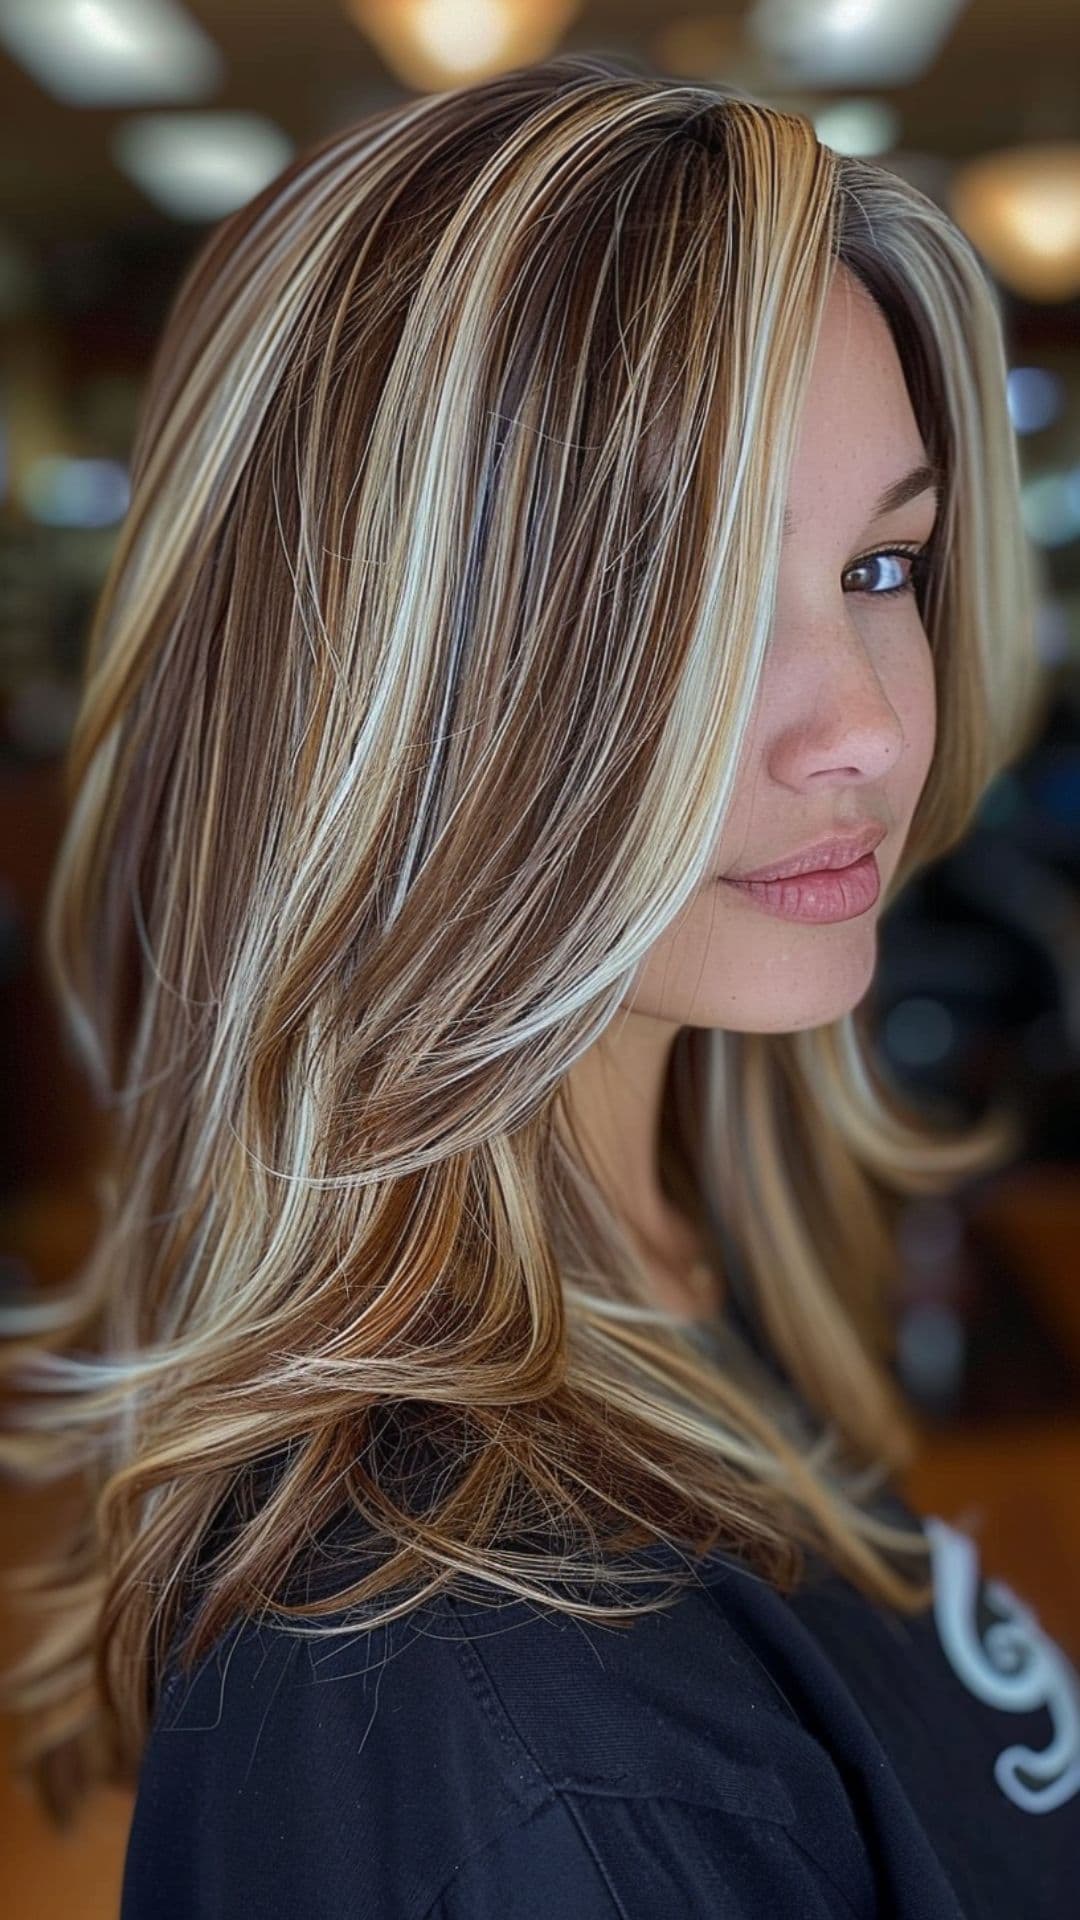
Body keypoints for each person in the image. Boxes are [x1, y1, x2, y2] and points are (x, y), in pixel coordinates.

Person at [0, 50, 1074, 1919]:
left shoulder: (671, 1260)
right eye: (688, 599)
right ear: (386, 689)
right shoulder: (487, 1720)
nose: (869, 732)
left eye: (880, 563)